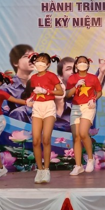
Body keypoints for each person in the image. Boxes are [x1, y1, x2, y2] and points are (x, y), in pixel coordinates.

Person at [29, 53, 64, 184]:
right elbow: (34, 92)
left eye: (43, 61)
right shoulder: (33, 77)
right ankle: (39, 169)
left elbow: (60, 92)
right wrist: (31, 98)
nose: (40, 63)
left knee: (46, 139)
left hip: (49, 106)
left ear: (48, 64)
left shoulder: (51, 76)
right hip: (37, 107)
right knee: (36, 140)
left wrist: (47, 91)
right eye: (38, 60)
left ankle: (46, 169)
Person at [65, 56, 102, 176]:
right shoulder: (72, 78)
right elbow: (67, 95)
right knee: (76, 136)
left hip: (88, 107)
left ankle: (90, 159)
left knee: (83, 133)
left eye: (84, 62)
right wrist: (76, 86)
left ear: (88, 65)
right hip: (76, 107)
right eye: (79, 62)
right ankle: (78, 166)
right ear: (76, 65)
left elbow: (99, 92)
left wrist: (94, 99)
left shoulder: (93, 78)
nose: (82, 64)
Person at [0, 44, 35, 113]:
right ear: (15, 63)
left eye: (34, 56)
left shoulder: (41, 85)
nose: (32, 59)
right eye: (26, 56)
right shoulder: (6, 88)